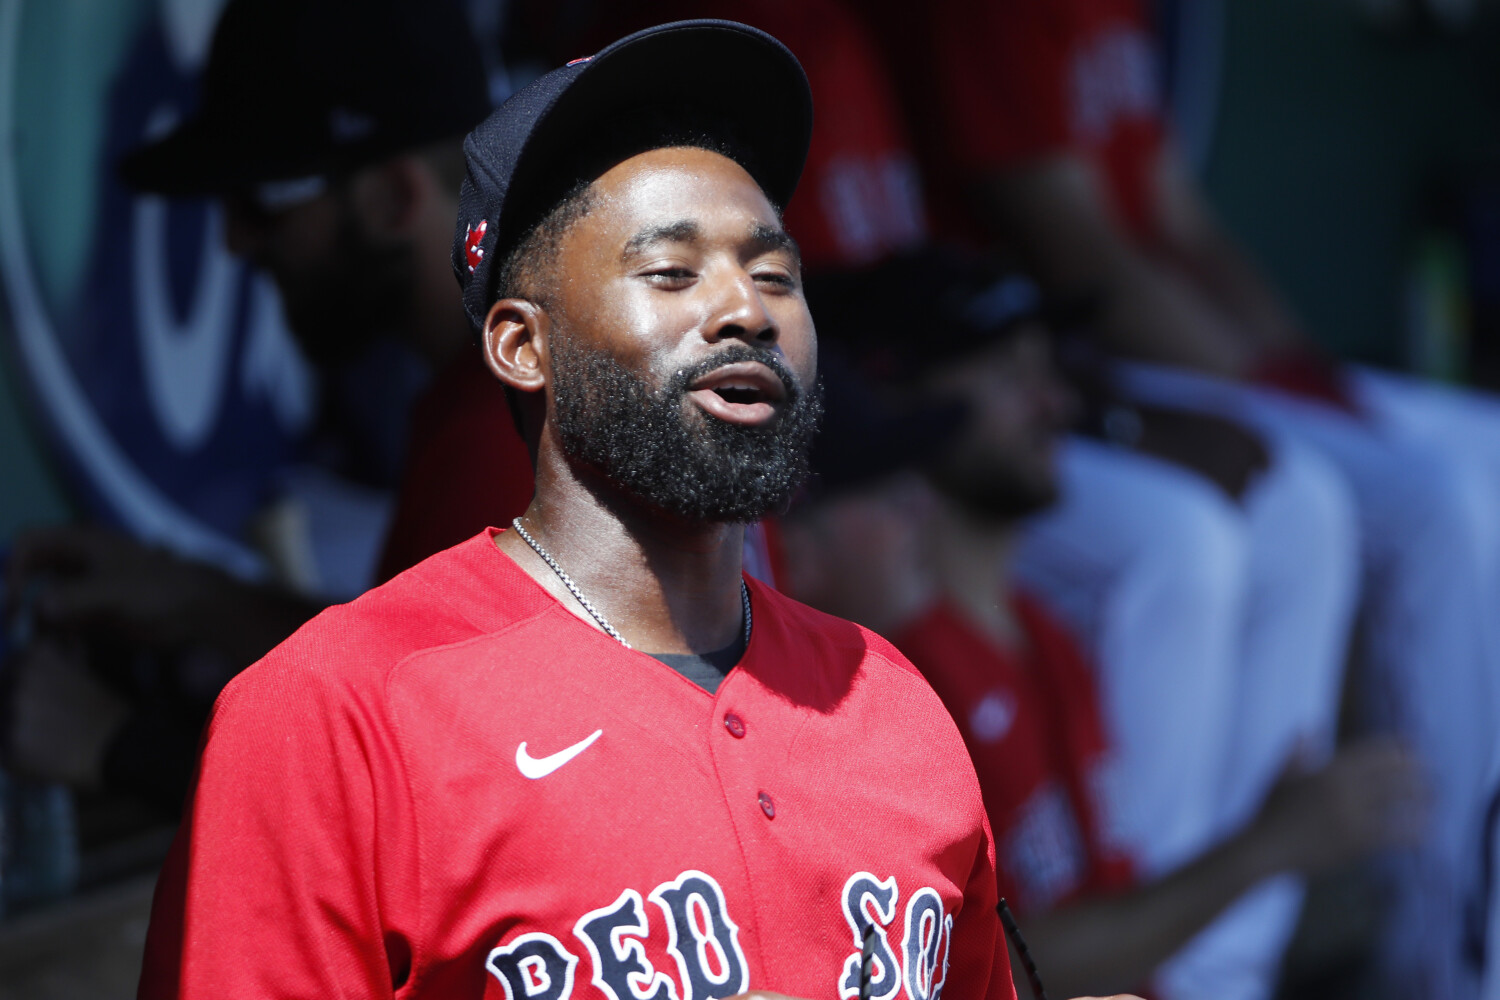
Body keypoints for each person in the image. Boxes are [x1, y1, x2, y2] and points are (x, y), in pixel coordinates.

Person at [139, 20, 1126, 1000]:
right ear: (524, 346)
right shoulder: (332, 712)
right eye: (671, 271)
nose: (747, 309)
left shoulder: (891, 701)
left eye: (776, 271)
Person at [860, 2, 1500, 993]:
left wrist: (1289, 373)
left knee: (1462, 456)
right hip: (1059, 370)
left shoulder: (1043, 645)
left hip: (1147, 365)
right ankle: (1257, 971)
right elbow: (1072, 236)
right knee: (1243, 528)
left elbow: (1172, 217)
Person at [786, 258, 1426, 999]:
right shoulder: (899, 679)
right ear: (904, 401)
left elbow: (1100, 922)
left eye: (1045, 370)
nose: (1054, 403)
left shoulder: (1047, 635)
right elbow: (994, 971)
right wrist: (1269, 847)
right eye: (1005, 376)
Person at [5, 0, 533, 811]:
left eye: (263, 204)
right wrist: (204, 603)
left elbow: (440, 808)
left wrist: (118, 747)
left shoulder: (508, 437)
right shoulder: (534, 382)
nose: (234, 244)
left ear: (393, 197)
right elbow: (421, 674)